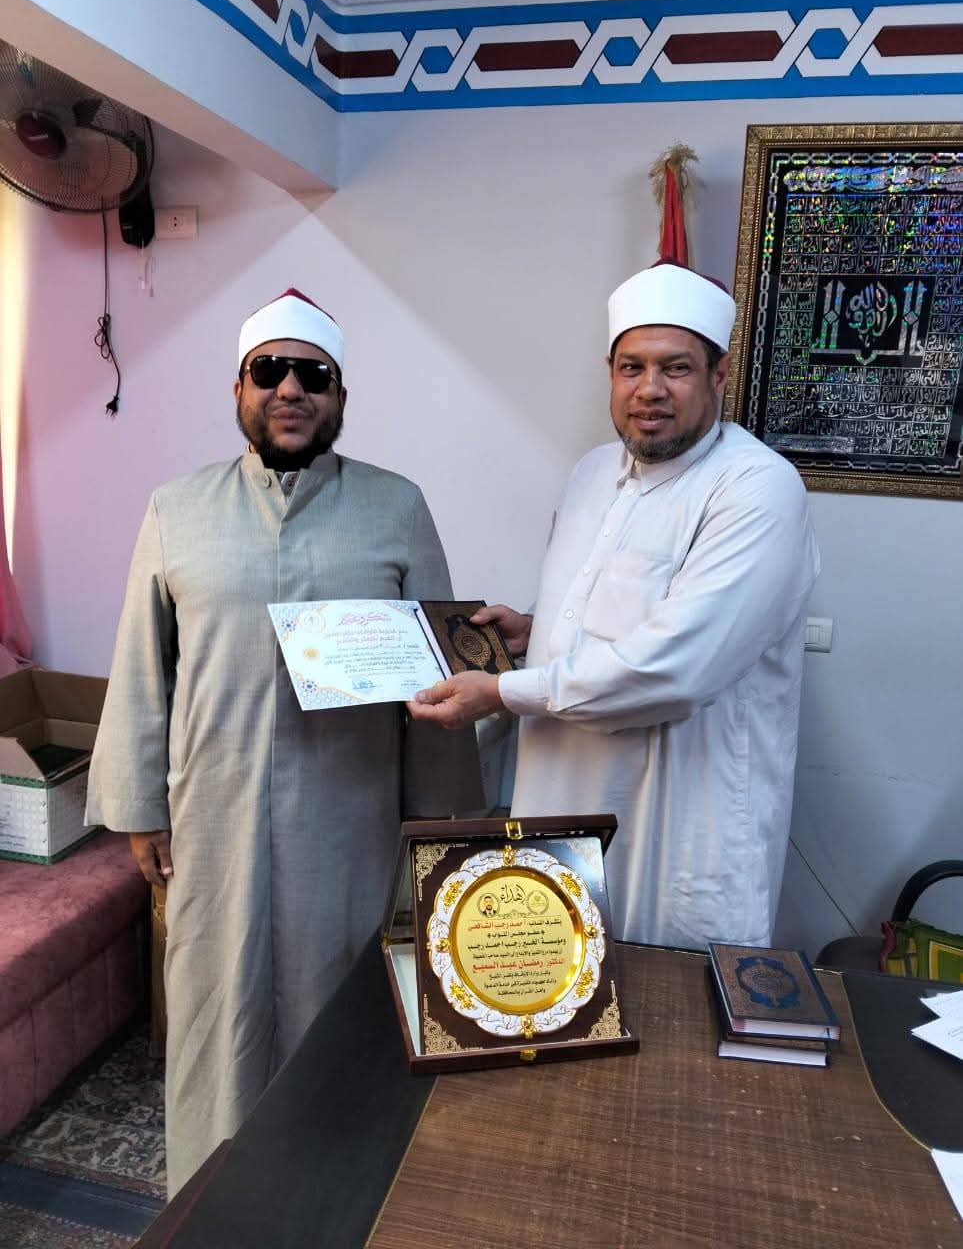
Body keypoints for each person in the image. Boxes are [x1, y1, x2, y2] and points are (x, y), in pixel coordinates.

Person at [86, 288, 482, 1196]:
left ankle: (328, 1196)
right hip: (212, 814)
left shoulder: (395, 506)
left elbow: (435, 672)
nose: (290, 389)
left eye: (313, 374)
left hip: (347, 816)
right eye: (269, 371)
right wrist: (142, 810)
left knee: (334, 1001)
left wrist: (437, 818)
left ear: (340, 396)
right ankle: (210, 1194)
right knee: (213, 1005)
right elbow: (143, 666)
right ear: (238, 390)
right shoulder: (177, 508)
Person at [408, 260, 819, 953]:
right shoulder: (591, 473)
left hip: (678, 823)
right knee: (554, 979)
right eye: (632, 367)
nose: (649, 389)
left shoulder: (757, 489)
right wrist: (536, 629)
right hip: (557, 793)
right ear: (610, 373)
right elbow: (610, 610)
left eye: (675, 368)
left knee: (662, 1002)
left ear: (719, 375)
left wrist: (501, 691)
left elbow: (675, 669)